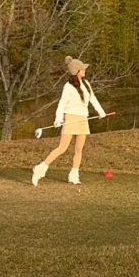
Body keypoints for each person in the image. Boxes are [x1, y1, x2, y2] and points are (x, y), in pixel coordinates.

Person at [31, 57, 106, 186]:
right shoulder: (68, 86)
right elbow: (62, 103)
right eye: (82, 68)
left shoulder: (87, 83)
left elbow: (93, 98)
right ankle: (40, 168)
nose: (85, 70)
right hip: (70, 117)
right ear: (76, 71)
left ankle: (74, 175)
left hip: (83, 118)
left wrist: (101, 112)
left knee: (79, 149)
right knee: (62, 148)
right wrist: (58, 119)